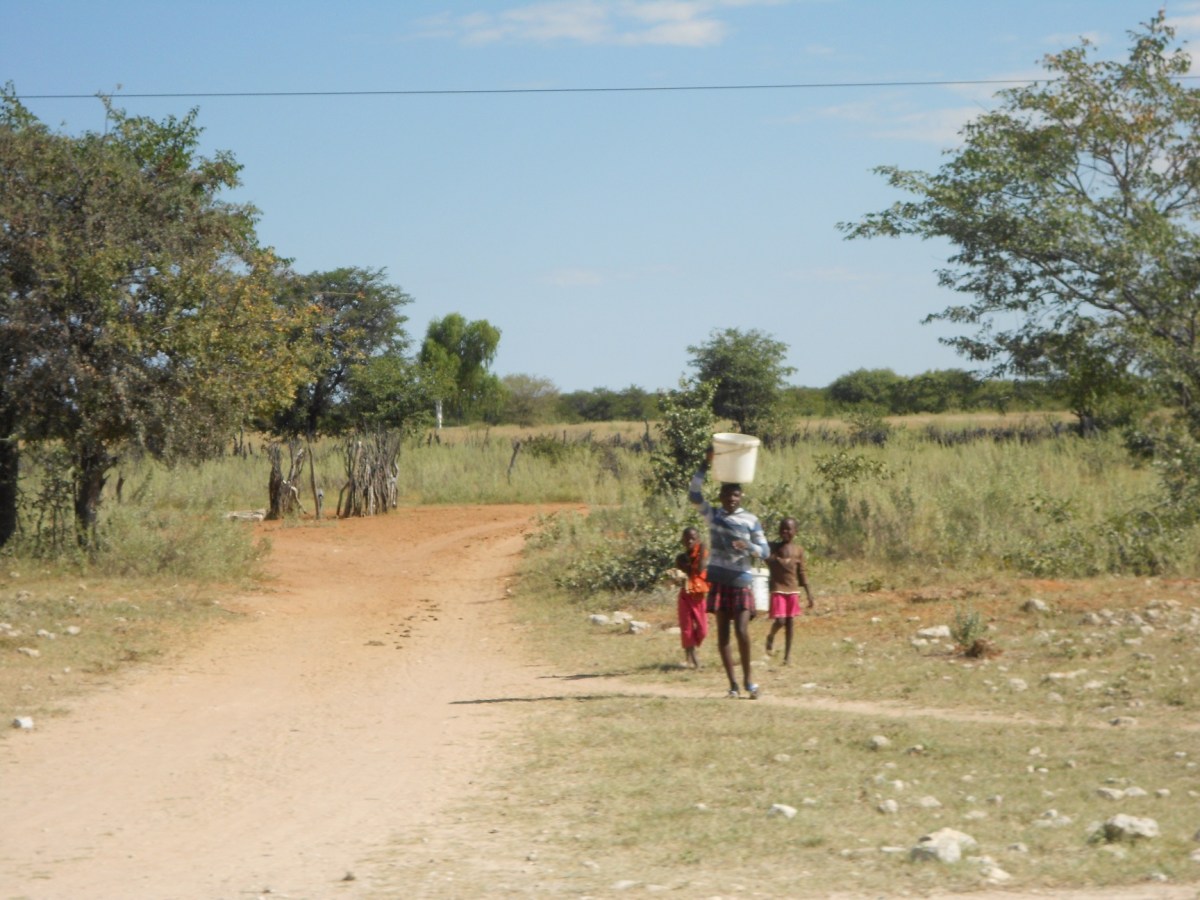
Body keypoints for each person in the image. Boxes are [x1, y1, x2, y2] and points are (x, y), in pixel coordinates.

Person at [688, 448, 770, 699]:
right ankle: (733, 685)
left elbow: (765, 551)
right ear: (720, 496)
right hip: (719, 581)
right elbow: (694, 495)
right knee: (723, 634)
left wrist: (749, 547)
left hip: (741, 580)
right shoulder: (714, 516)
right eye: (727, 494)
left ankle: (748, 681)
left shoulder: (750, 520)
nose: (731, 499)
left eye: (735, 494)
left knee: (742, 631)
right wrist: (705, 464)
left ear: (741, 496)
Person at [765, 517, 814, 665]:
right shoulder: (773, 547)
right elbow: (761, 550)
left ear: (795, 531)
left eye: (789, 529)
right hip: (778, 589)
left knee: (790, 623)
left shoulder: (798, 550)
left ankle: (787, 656)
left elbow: (802, 572)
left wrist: (809, 593)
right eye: (782, 529)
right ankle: (771, 635)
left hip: (792, 590)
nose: (785, 532)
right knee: (780, 621)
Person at [674, 526, 709, 669]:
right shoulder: (681, 558)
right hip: (686, 596)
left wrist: (701, 550)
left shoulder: (703, 554)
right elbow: (683, 575)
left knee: (703, 630)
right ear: (682, 540)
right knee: (687, 628)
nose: (690, 541)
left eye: (693, 539)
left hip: (699, 597)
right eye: (687, 539)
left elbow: (700, 569)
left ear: (698, 540)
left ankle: (690, 651)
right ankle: (695, 661)